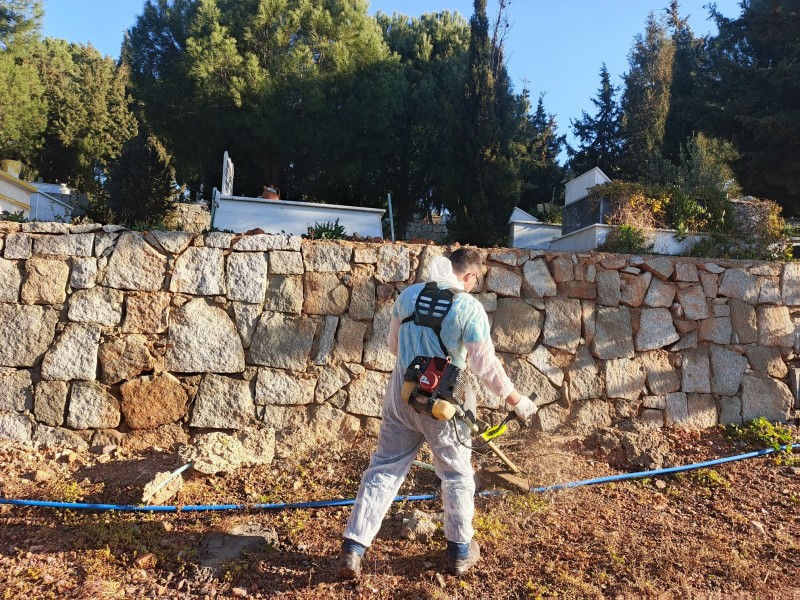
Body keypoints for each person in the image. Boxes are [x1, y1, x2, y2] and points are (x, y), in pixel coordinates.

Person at [338, 247, 538, 578]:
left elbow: (393, 346)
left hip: (402, 397)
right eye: (476, 280)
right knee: (456, 475)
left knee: (384, 468)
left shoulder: (408, 296)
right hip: (442, 406)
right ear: (470, 275)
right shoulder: (468, 308)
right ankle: (460, 552)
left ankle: (353, 548)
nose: (474, 285)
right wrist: (517, 401)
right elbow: (485, 366)